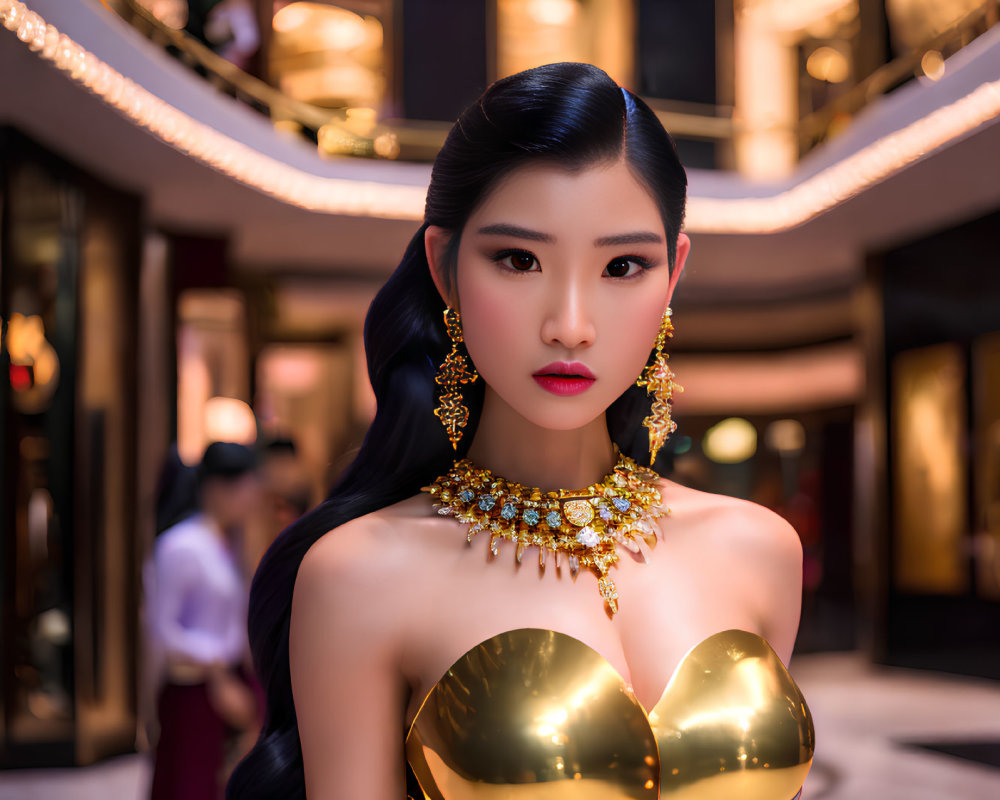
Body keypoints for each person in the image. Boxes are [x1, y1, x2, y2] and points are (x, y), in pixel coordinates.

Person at [227, 63, 815, 800]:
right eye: (519, 260)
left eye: (623, 265)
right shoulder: (357, 575)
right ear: (445, 268)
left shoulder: (759, 550)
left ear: (673, 276)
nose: (569, 324)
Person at [148, 442, 262, 800]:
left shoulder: (225, 542)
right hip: (194, 689)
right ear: (217, 488)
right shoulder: (182, 545)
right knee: (188, 785)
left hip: (221, 684)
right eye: (246, 489)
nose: (251, 500)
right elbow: (163, 629)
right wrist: (217, 674)